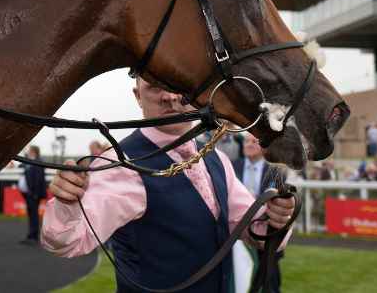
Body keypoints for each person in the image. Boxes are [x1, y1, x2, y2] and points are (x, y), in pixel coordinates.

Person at [41, 78, 295, 293]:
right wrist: (67, 203)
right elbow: (69, 241)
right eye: (154, 86)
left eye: (179, 86)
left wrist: (276, 217)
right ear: (138, 95)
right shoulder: (120, 163)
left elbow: (254, 229)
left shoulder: (218, 158)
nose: (170, 96)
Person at [233, 135, 286, 293]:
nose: (248, 145)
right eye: (246, 141)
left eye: (253, 142)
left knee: (270, 281)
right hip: (237, 233)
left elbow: (274, 201)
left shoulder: (275, 172)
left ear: (265, 147)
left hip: (265, 235)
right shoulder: (232, 166)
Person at [19, 145, 48, 245]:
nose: (28, 152)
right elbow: (21, 165)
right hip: (29, 193)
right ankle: (31, 235)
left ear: (34, 151)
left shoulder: (38, 162)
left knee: (34, 214)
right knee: (31, 214)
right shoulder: (29, 162)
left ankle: (34, 236)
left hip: (34, 194)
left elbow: (39, 179)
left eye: (30, 151)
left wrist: (35, 193)